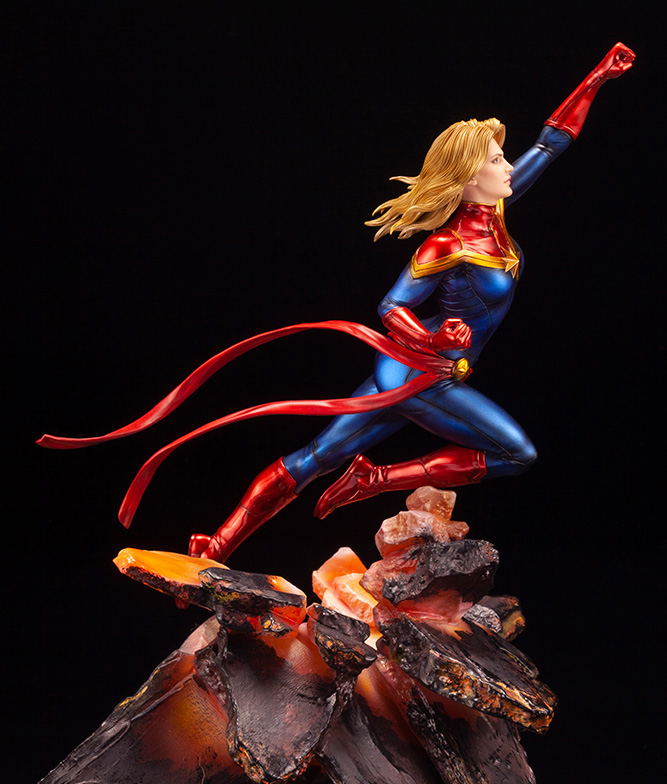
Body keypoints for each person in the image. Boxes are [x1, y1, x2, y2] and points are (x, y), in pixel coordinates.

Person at [38, 43, 635, 564]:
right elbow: (391, 306)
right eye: (496, 159)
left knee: (317, 456)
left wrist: (596, 78)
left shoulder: (495, 211)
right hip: (420, 374)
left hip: (415, 373)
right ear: (467, 176)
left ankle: (215, 545)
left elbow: (551, 144)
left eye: (503, 158)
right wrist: (433, 340)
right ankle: (374, 479)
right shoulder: (447, 244)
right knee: (517, 452)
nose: (507, 166)